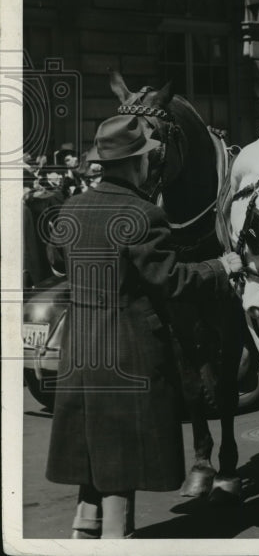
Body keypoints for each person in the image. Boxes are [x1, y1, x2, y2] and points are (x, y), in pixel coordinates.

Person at [45, 115, 244, 538]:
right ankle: (118, 537)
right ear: (138, 164)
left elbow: (59, 262)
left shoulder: (70, 208)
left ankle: (85, 524)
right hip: (128, 349)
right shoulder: (144, 214)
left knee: (90, 439)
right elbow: (172, 282)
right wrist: (220, 266)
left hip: (79, 347)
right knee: (122, 448)